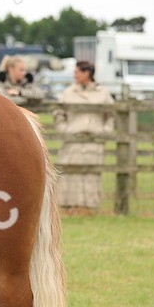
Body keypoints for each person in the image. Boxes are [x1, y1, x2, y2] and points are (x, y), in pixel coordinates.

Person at [54, 61, 114, 209]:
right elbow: (58, 112)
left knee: (91, 173)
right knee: (70, 171)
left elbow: (111, 114)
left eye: (78, 72)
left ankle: (90, 205)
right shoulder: (69, 92)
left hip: (94, 139)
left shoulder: (102, 93)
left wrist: (106, 130)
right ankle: (68, 204)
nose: (75, 75)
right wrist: (64, 130)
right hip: (73, 139)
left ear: (87, 73)